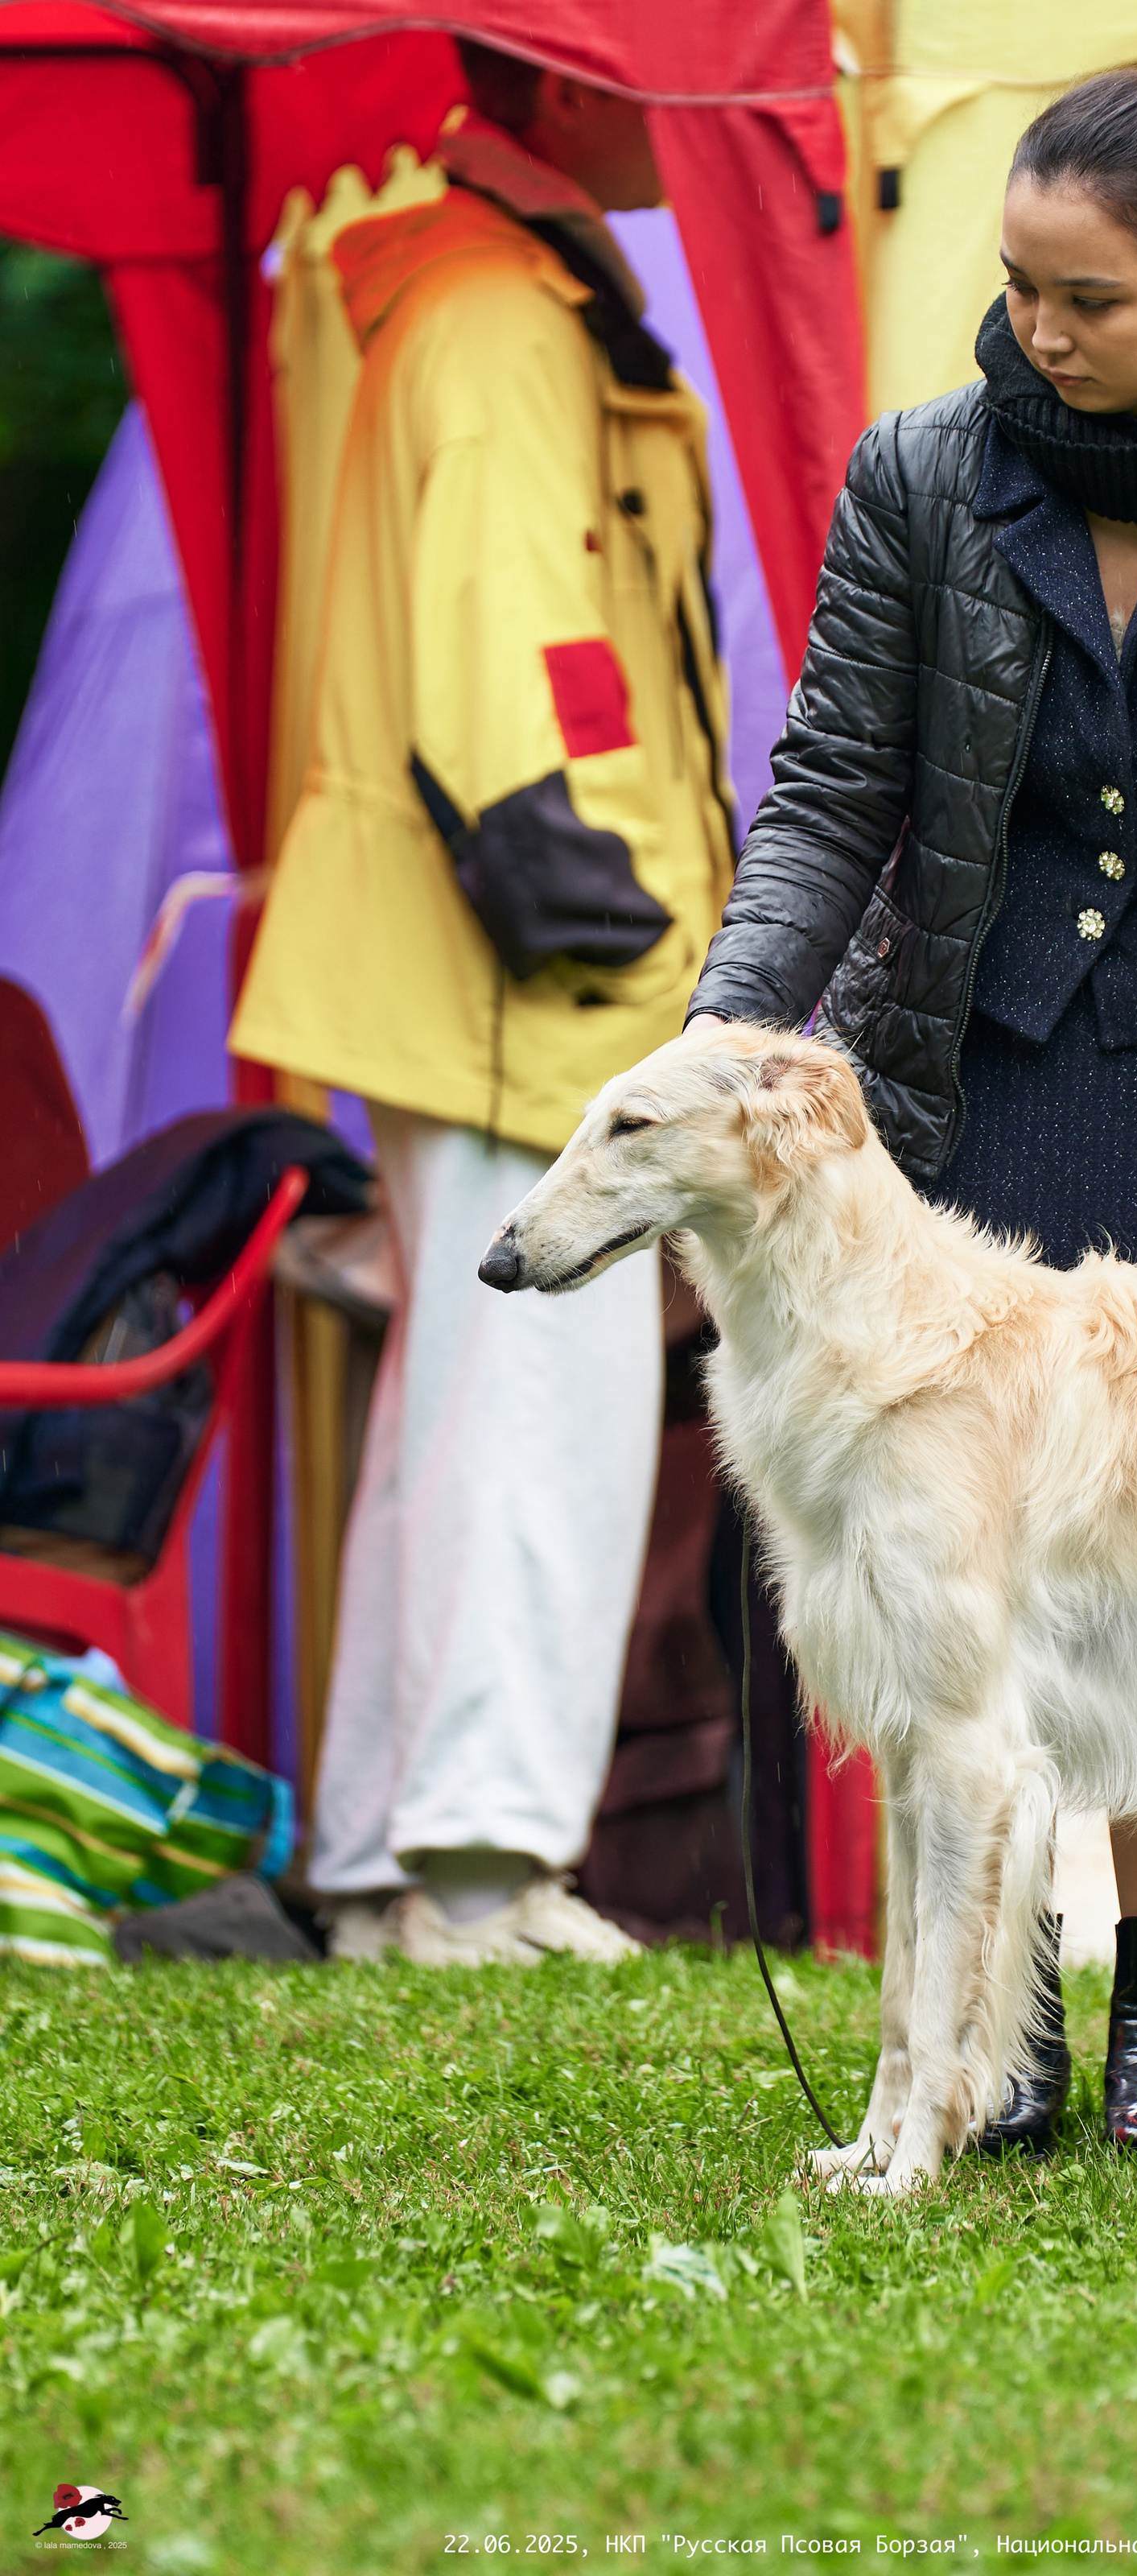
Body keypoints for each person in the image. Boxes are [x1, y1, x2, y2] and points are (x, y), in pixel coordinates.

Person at [688, 68, 1137, 2153]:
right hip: (962, 1106)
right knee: (965, 1589)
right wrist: (737, 1039)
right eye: (1018, 287)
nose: (1039, 328)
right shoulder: (920, 482)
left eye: (1088, 295)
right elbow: (832, 795)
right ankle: (991, 2034)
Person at [231, 46, 735, 1964]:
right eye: (666, 73)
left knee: (472, 1398)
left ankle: (401, 1855)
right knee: (545, 1398)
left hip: (499, 935)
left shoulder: (466, 286)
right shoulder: (498, 312)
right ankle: (473, 1866)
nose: (698, 110)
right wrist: (587, 895)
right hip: (535, 944)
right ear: (582, 88)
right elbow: (525, 641)